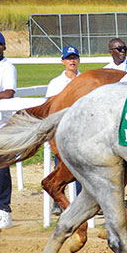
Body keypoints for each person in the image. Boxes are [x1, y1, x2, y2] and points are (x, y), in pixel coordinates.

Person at [103, 39, 127, 212]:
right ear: (111, 51)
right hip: (112, 119)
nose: (122, 51)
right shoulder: (105, 71)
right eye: (118, 49)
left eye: (125, 48)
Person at [47, 46, 83, 215]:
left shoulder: (85, 80)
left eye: (74, 57)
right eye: (69, 58)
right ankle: (58, 202)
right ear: (63, 61)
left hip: (81, 130)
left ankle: (79, 202)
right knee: (60, 165)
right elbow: (50, 106)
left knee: (81, 166)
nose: (72, 61)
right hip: (62, 130)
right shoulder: (55, 83)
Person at [0, 31, 16, 229]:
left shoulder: (8, 67)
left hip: (1, 128)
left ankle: (4, 211)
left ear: (4, 47)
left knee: (2, 172)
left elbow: (9, 93)